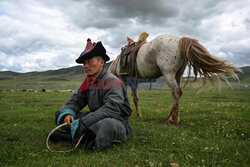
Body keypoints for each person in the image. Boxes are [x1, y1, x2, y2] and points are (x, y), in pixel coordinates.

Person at [48, 38, 133, 150]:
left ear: (101, 62)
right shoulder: (88, 82)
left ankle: (71, 137)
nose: (85, 66)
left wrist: (85, 122)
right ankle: (82, 135)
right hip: (96, 117)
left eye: (89, 61)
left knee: (106, 125)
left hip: (117, 121)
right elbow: (76, 100)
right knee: (63, 114)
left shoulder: (113, 81)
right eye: (84, 63)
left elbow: (112, 109)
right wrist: (68, 113)